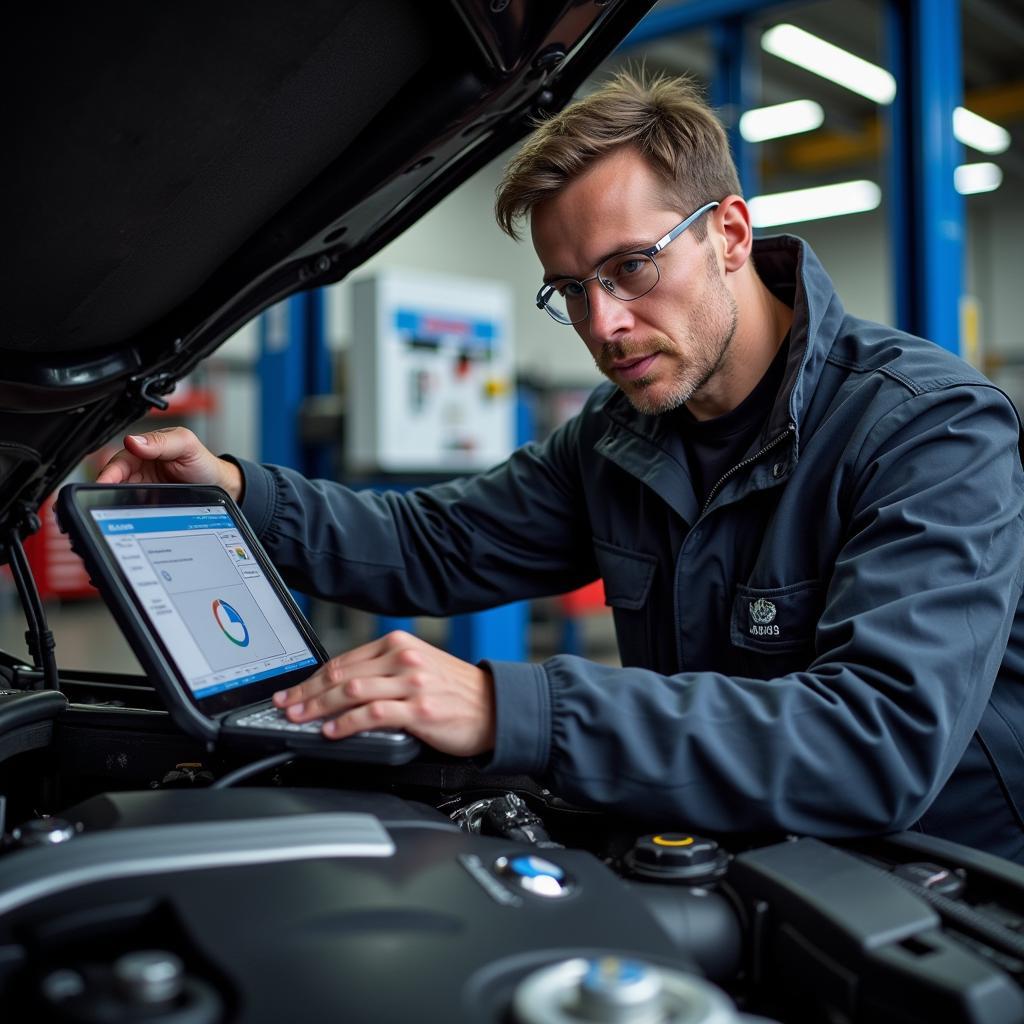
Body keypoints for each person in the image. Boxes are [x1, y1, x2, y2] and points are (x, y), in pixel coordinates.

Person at [98, 71, 1024, 862]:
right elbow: (442, 543)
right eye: (572, 290)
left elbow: (877, 744)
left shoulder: (927, 429)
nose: (603, 324)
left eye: (631, 267)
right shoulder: (621, 433)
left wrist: (514, 706)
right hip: (730, 852)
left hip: (939, 890)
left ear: (731, 234)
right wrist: (238, 493)